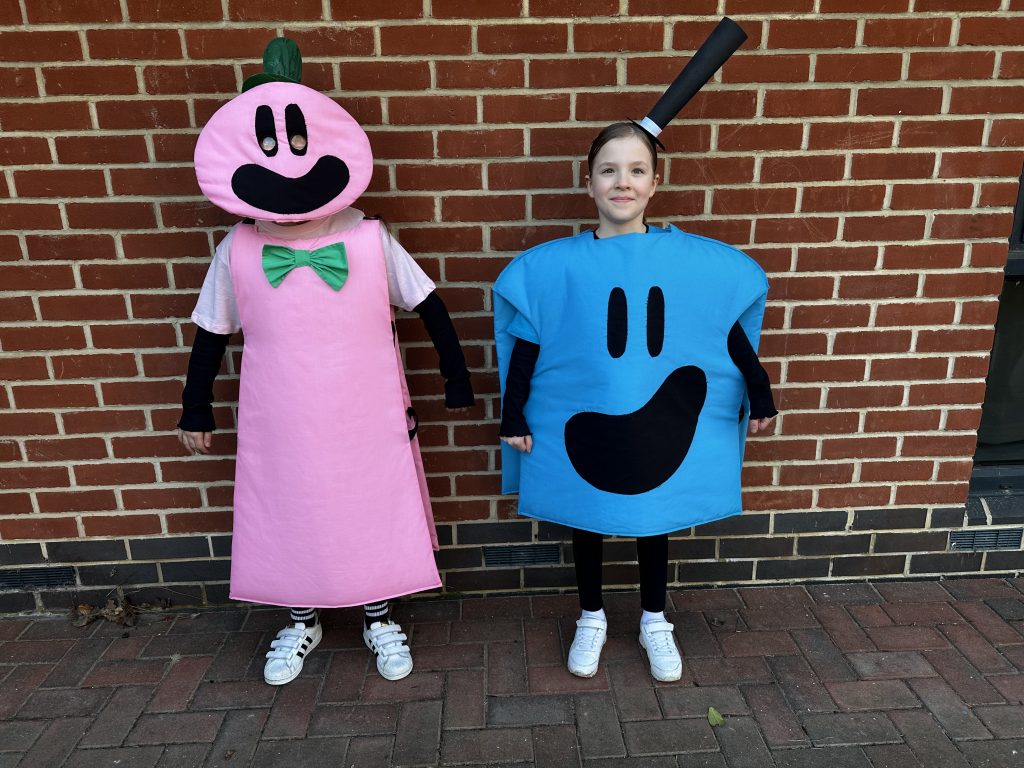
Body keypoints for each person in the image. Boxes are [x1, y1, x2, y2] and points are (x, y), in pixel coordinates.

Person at [177, 38, 473, 686]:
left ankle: (378, 613)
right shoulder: (238, 250)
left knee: (369, 502)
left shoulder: (368, 240)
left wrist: (455, 375)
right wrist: (196, 405)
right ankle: (301, 616)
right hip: (280, 412)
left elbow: (426, 301)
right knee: (290, 506)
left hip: (364, 409)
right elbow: (212, 329)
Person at [493, 121, 777, 681]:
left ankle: (654, 619)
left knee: (654, 511)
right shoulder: (556, 269)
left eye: (636, 170)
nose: (622, 182)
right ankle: (591, 616)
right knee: (586, 512)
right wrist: (513, 413)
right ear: (589, 183)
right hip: (586, 422)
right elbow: (528, 343)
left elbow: (724, 331)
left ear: (655, 183)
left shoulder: (694, 266)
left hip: (658, 424)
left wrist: (760, 394)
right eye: (609, 170)